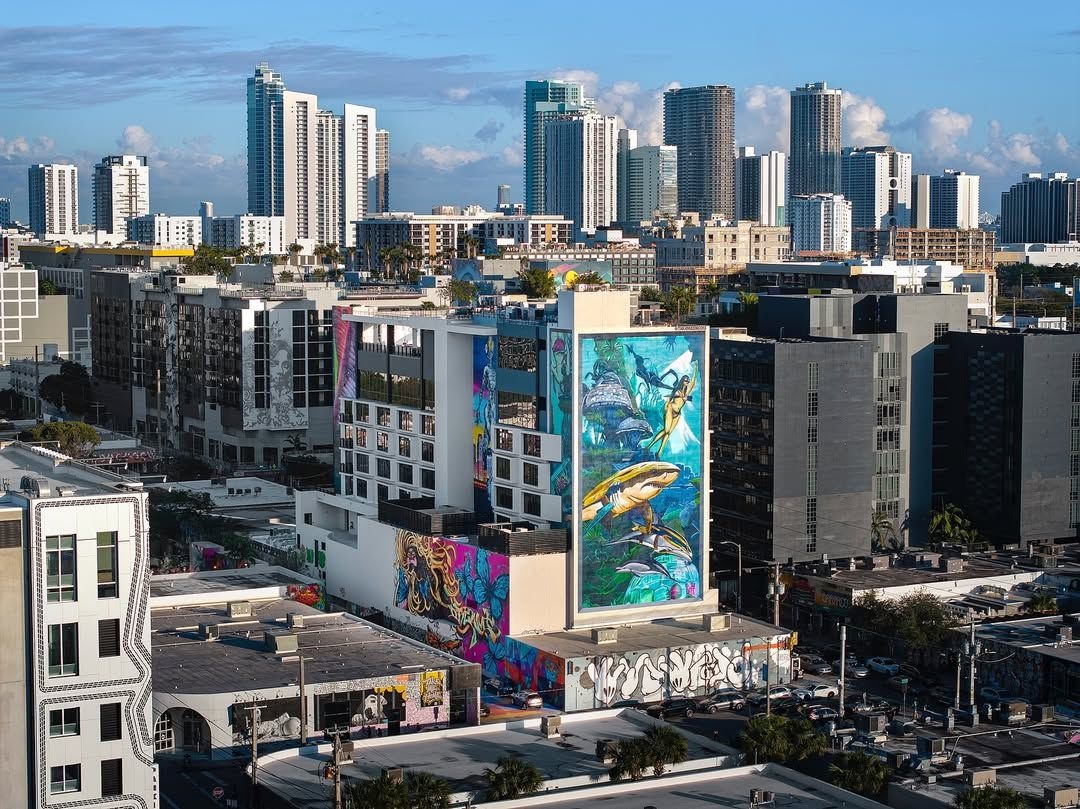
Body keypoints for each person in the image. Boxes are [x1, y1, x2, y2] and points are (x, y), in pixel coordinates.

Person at [643, 363, 697, 457]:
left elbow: (693, 382)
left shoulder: (686, 392)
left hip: (677, 414)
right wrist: (666, 407)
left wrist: (695, 369)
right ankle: (649, 446)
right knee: (666, 430)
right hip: (670, 410)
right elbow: (669, 399)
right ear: (682, 381)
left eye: (688, 380)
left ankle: (659, 452)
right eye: (685, 380)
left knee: (668, 433)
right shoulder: (677, 390)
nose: (687, 382)